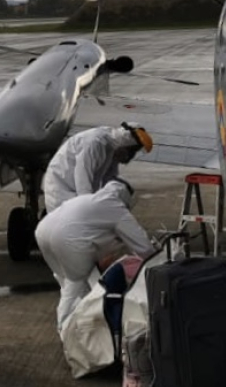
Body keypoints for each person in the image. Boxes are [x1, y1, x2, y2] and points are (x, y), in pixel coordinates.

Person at [34, 178, 155, 333]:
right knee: (74, 286)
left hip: (42, 232)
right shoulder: (115, 206)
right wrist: (159, 261)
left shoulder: (89, 199)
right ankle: (66, 331)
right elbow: (143, 246)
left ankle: (84, 326)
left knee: (71, 284)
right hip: (68, 241)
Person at [41, 122, 153, 213]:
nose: (129, 157)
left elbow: (109, 181)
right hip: (62, 194)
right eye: (131, 152)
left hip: (75, 196)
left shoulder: (110, 147)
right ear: (126, 145)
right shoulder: (95, 143)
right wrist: (91, 210)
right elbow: (83, 182)